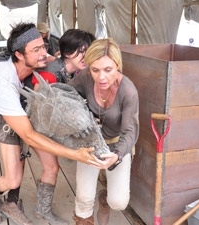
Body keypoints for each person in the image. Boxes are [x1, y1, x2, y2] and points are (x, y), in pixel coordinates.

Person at [0, 22, 103, 225]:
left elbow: (54, 62)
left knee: (29, 164)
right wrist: (73, 153)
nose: (44, 53)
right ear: (19, 54)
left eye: (44, 46)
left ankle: (15, 203)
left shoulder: (36, 62)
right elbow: (28, 133)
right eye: (36, 50)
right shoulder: (3, 83)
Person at [26, 28, 95, 225]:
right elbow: (39, 111)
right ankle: (42, 210)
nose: (85, 56)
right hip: (35, 126)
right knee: (52, 167)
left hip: (51, 125)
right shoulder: (49, 75)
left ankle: (41, 209)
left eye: (87, 51)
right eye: (80, 51)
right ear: (66, 53)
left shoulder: (78, 71)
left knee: (53, 166)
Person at [67, 38, 139, 225]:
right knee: (83, 197)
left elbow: (129, 131)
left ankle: (105, 198)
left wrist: (117, 155)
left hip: (116, 145)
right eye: (95, 69)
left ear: (117, 66)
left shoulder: (128, 92)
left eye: (108, 70)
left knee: (118, 202)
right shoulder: (85, 77)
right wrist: (83, 113)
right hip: (90, 142)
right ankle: (84, 220)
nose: (101, 77)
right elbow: (68, 94)